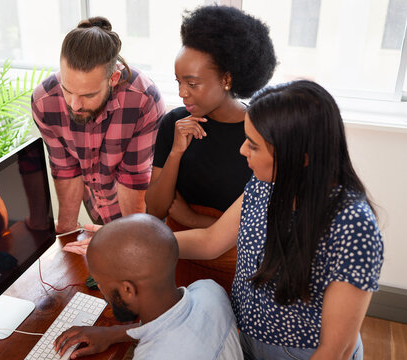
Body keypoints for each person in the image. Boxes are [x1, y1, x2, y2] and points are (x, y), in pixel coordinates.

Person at [175, 80, 384, 359]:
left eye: (253, 145)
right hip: (248, 337)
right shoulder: (267, 183)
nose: (242, 151)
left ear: (300, 158)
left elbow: (336, 349)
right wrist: (137, 244)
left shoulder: (352, 226)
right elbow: (211, 241)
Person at [144, 5, 276, 293]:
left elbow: (259, 231)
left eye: (192, 83)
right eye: (179, 82)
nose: (181, 92)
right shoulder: (175, 123)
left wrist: (190, 218)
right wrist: (177, 152)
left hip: (238, 265)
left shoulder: (259, 134)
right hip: (178, 253)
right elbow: (155, 210)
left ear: (227, 79)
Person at [32, 17, 165, 233]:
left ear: (113, 79)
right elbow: (66, 170)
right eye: (67, 89)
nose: (74, 105)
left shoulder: (143, 99)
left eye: (88, 95)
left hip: (140, 214)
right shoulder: (44, 101)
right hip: (98, 207)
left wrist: (130, 240)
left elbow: (133, 179)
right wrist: (66, 233)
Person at [54, 213, 243, 360]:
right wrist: (113, 333)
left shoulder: (151, 355)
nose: (100, 289)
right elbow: (171, 324)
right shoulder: (210, 291)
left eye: (100, 283)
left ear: (128, 290)